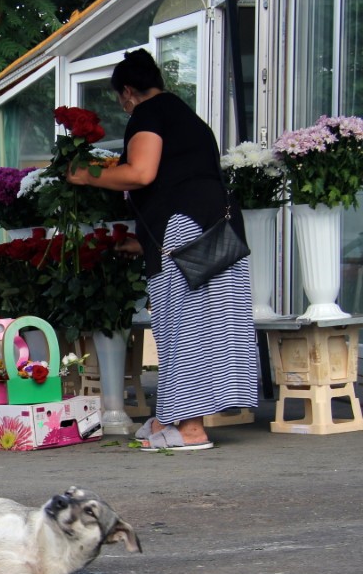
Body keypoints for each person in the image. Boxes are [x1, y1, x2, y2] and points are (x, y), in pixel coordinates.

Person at [66, 48, 258, 451]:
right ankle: (170, 417)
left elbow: (140, 173)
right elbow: (179, 179)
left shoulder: (149, 113)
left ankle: (189, 430)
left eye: (122, 99)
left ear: (128, 92)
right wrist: (145, 242)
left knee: (183, 325)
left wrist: (88, 174)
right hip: (218, 231)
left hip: (188, 229)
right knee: (211, 325)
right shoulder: (189, 118)